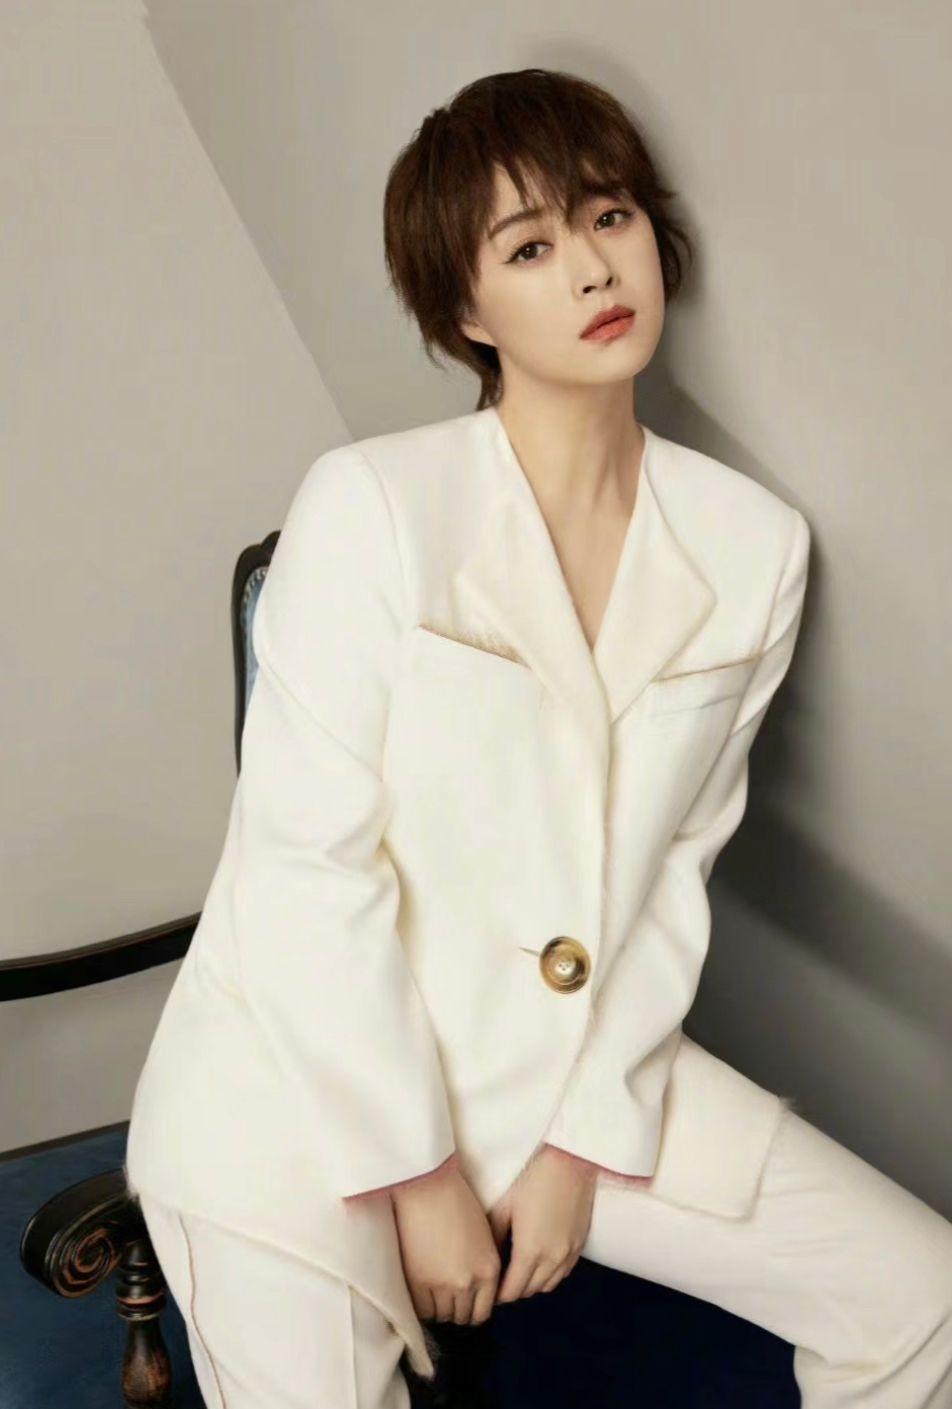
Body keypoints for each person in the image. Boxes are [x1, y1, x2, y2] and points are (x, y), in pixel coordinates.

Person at [125, 67, 952, 1408]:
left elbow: (671, 872)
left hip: (568, 1069)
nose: (591, 270)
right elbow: (303, 871)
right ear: (465, 312)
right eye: (529, 248)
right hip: (301, 1077)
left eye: (609, 217)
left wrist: (580, 1143)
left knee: (920, 1296)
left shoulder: (754, 546)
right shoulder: (375, 504)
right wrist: (418, 1174)